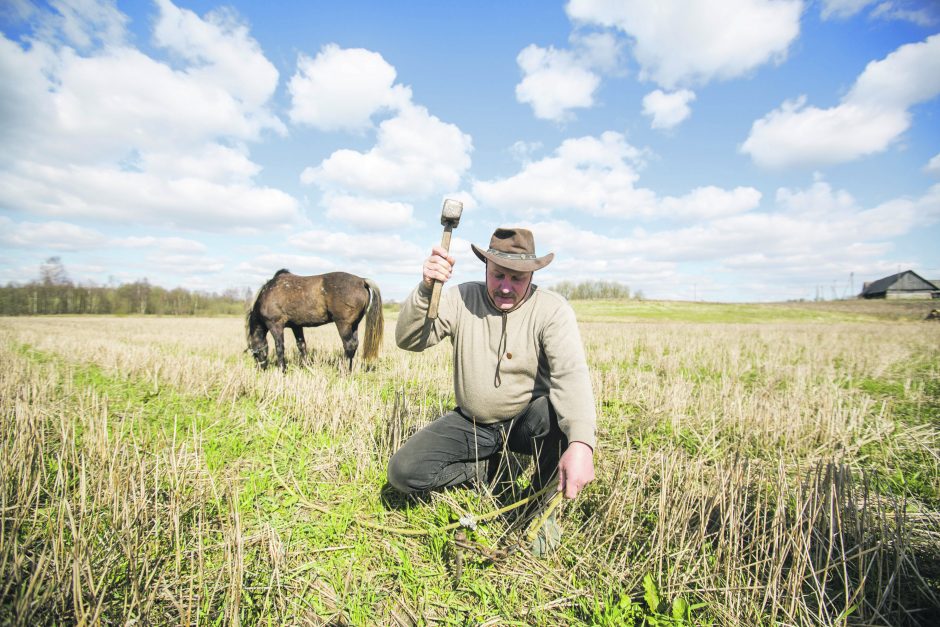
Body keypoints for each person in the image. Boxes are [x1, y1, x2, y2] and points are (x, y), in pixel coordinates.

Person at [387, 227, 597, 555]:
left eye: (517, 278)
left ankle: (539, 507)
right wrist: (427, 290)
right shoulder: (460, 299)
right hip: (473, 424)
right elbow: (410, 340)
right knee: (404, 472)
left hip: (525, 423)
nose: (505, 287)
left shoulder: (552, 310)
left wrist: (582, 444)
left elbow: (571, 376)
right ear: (485, 267)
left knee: (555, 416)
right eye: (498, 275)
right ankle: (488, 470)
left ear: (531, 275)